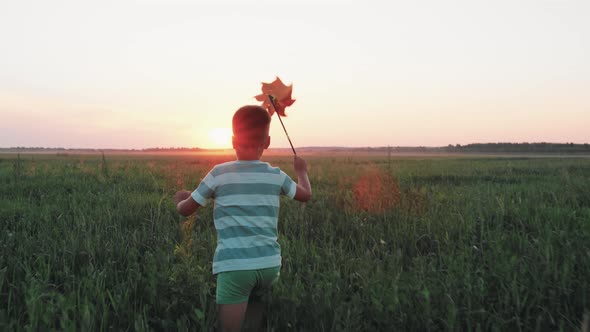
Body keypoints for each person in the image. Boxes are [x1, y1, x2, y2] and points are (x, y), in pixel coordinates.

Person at [173, 105, 312, 332]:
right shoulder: (276, 175)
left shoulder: (219, 173)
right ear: (266, 142)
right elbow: (305, 195)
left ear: (233, 140)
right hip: (269, 265)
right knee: (254, 313)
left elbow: (186, 209)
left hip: (236, 267)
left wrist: (181, 199)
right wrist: (302, 171)